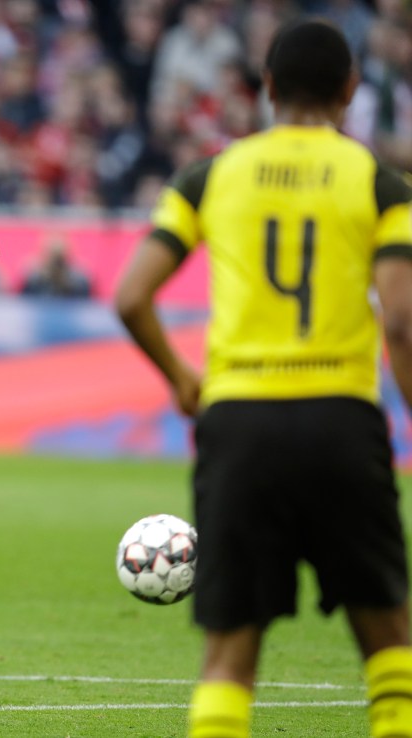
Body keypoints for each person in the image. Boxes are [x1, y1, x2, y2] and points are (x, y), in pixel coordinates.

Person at [115, 19, 412, 738]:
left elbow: (130, 296)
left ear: (269, 88)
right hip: (341, 417)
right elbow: (401, 321)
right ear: (349, 90)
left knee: (230, 652)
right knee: (390, 647)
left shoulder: (212, 174)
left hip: (240, 420)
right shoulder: (380, 182)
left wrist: (185, 380)